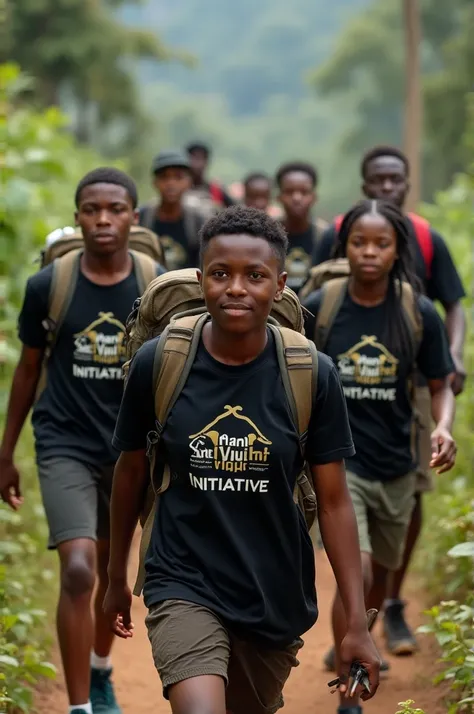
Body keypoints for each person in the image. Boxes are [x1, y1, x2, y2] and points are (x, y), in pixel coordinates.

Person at [103, 206, 381, 714]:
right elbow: (129, 472)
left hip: (272, 587)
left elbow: (336, 503)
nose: (236, 288)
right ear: (202, 277)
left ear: (279, 284)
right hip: (181, 577)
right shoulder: (161, 361)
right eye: (220, 273)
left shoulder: (310, 374)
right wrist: (113, 576)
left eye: (254, 275)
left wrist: (357, 623)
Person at [0, 167, 165, 714]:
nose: (103, 220)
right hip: (63, 441)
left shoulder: (153, 285)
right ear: (77, 218)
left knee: (111, 571)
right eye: (91, 209)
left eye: (115, 209)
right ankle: (79, 708)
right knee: (77, 567)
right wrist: (5, 455)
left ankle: (99, 671)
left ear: (133, 217)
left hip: (128, 453)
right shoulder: (49, 286)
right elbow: (28, 370)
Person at [312, 146, 466, 656]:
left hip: (397, 458)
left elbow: (440, 383)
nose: (370, 253)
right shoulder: (322, 308)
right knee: (356, 570)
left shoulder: (417, 312)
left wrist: (443, 427)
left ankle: (359, 636)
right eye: (359, 243)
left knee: (379, 572)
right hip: (341, 461)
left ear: (398, 250)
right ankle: (348, 694)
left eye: (381, 244)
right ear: (345, 248)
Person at [139, 150, 207, 270]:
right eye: (164, 177)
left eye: (178, 177)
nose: (171, 183)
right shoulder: (143, 217)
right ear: (155, 182)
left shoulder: (198, 221)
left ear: (189, 181)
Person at [276, 161, 328, 293]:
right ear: (279, 197)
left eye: (304, 192)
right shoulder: (266, 235)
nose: (297, 198)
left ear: (314, 197)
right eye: (289, 192)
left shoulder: (326, 236)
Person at [185, 140, 235, 213]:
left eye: (201, 158)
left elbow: (234, 209)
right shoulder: (181, 190)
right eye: (194, 158)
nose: (197, 163)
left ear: (207, 161)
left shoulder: (216, 190)